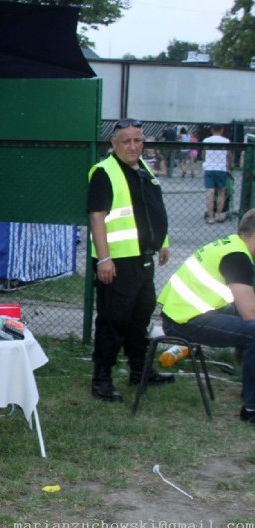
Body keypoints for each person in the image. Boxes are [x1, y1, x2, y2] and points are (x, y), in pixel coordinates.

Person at [87, 118, 174, 402]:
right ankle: (101, 379)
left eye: (138, 140)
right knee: (113, 320)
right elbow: (97, 217)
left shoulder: (143, 168)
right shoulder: (104, 172)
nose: (133, 146)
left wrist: (163, 242)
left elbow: (154, 210)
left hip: (143, 258)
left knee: (140, 316)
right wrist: (104, 259)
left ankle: (140, 370)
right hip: (117, 263)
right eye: (126, 141)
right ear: (114, 143)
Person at [157, 208, 255, 423]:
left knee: (247, 325)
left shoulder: (232, 244)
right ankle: (251, 409)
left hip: (187, 313)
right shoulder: (237, 257)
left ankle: (248, 389)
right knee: (253, 332)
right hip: (184, 321)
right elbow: (249, 312)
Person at [202, 124, 232, 224]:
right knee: (221, 192)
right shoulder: (226, 141)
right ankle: (219, 215)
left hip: (209, 168)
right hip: (221, 168)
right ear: (222, 130)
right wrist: (229, 165)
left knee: (209, 192)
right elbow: (228, 155)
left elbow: (203, 154)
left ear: (212, 130)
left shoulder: (206, 140)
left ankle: (211, 217)